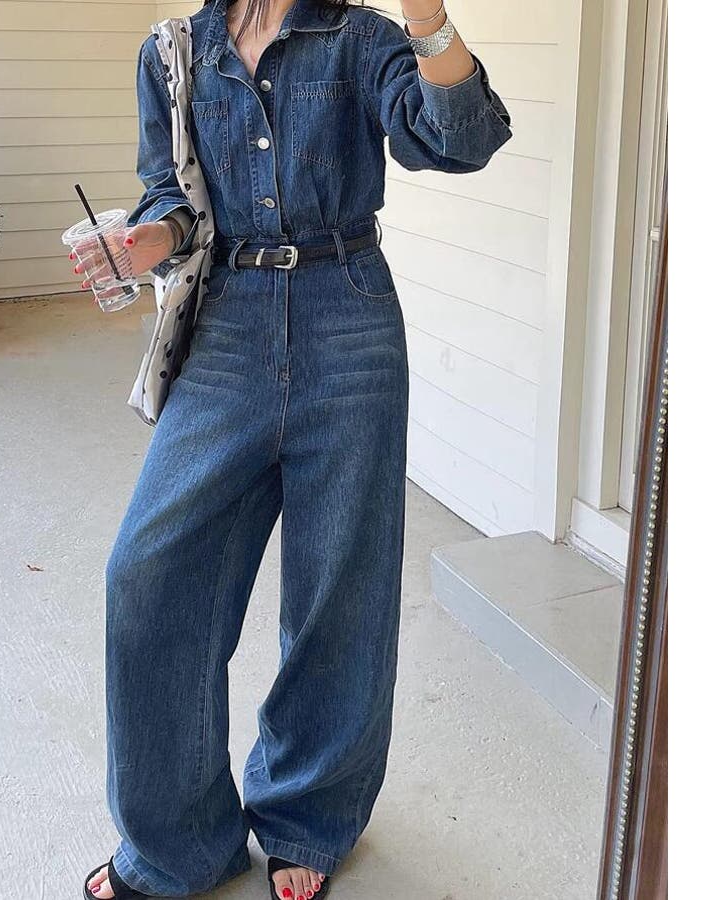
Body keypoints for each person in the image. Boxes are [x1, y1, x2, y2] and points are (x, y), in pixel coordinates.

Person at [79, 1, 511, 897]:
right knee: (149, 572)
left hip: (346, 314)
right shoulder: (175, 52)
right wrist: (147, 240)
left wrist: (427, 15)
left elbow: (461, 138)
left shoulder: (362, 39)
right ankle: (177, 843)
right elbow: (171, 196)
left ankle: (307, 815)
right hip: (226, 322)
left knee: (338, 589)